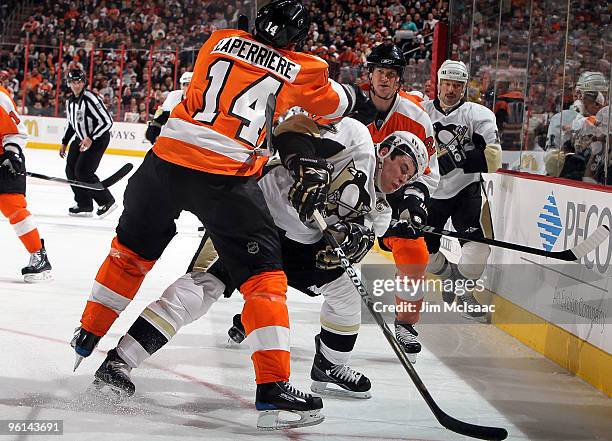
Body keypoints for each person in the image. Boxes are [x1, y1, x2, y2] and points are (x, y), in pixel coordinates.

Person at [70, 0, 375, 430]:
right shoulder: (305, 68)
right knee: (264, 280)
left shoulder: (217, 41)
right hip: (226, 178)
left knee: (130, 253)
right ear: (298, 40)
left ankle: (89, 333)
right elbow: (332, 106)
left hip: (163, 164)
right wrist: (342, 95)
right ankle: (272, 388)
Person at [90, 113, 428, 403]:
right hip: (254, 212)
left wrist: (349, 243)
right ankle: (120, 360)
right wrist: (310, 171)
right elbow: (294, 135)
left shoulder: (379, 212)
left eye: (410, 176)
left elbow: (339, 251)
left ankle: (329, 363)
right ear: (385, 151)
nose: (403, 178)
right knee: (204, 286)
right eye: (403, 166)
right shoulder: (357, 139)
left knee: (346, 291)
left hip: (298, 245)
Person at [363, 41, 439, 363]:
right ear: (370, 75)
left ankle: (405, 324)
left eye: (392, 75)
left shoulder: (417, 119)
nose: (385, 79)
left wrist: (412, 199)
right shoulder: (350, 108)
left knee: (415, 254)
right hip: (346, 196)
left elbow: (429, 173)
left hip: (391, 202)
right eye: (380, 72)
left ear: (399, 81)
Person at [420, 60, 502, 321]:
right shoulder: (420, 112)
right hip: (429, 192)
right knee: (422, 251)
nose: (451, 90)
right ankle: (449, 276)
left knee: (478, 247)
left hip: (465, 189)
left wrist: (457, 158)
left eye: (457, 85)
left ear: (465, 87)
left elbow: (494, 158)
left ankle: (465, 293)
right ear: (438, 84)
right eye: (447, 84)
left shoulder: (478, 114)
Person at [0, 73, 52, 282]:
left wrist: (12, 155)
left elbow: (17, 132)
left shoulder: (0, 97)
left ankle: (39, 255)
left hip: (4, 158)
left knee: (13, 206)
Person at [60, 68, 116, 218]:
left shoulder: (90, 98)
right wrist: (64, 142)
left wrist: (91, 138)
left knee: (83, 172)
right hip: (80, 139)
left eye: (78, 82)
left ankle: (107, 200)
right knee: (71, 171)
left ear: (83, 82)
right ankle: (84, 204)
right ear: (68, 83)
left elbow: (107, 121)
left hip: (97, 139)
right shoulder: (70, 101)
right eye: (72, 82)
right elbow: (72, 124)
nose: (76, 85)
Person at [145, 71, 193, 144]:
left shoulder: (202, 100)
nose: (187, 87)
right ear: (181, 85)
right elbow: (163, 114)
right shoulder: (173, 96)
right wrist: (154, 126)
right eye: (185, 84)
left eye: (190, 85)